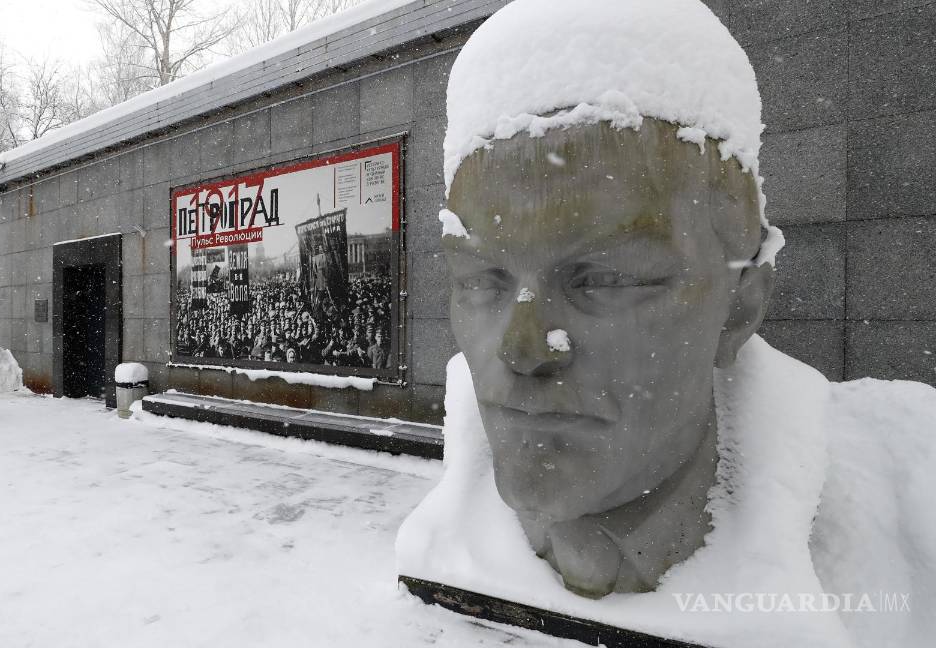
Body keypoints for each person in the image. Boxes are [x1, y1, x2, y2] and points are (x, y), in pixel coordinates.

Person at [396, 0, 936, 646]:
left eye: (603, 278)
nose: (522, 348)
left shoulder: (910, 531)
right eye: (483, 279)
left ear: (740, 304)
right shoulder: (443, 540)